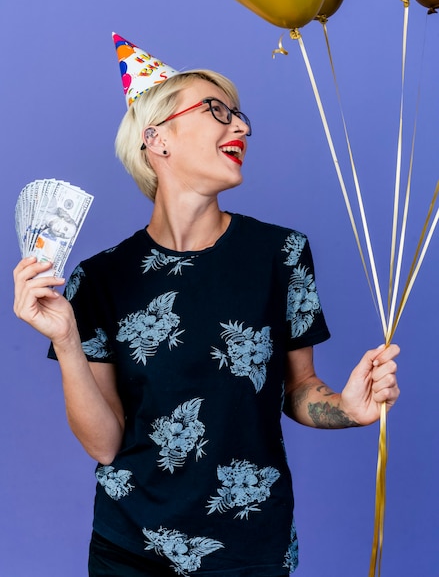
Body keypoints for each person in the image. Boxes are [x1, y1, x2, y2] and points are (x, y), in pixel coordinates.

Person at [13, 34, 400, 577]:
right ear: (158, 140)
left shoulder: (281, 253)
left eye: (240, 115)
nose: (239, 126)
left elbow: (301, 390)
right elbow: (104, 446)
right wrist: (66, 340)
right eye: (217, 111)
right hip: (129, 551)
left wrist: (348, 409)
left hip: (250, 551)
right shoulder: (98, 279)